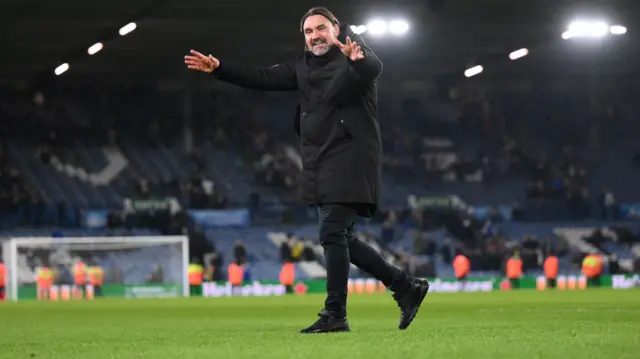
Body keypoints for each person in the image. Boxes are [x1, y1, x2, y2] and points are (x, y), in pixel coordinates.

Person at [184, 6, 429, 333]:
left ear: (335, 29)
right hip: (320, 160)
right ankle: (404, 286)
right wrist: (219, 68)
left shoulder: (352, 55)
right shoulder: (301, 67)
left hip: (351, 157)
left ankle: (335, 314)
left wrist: (359, 58)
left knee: (331, 233)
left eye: (320, 28)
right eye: (308, 32)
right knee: (343, 238)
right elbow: (263, 77)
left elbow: (374, 67)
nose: (315, 36)